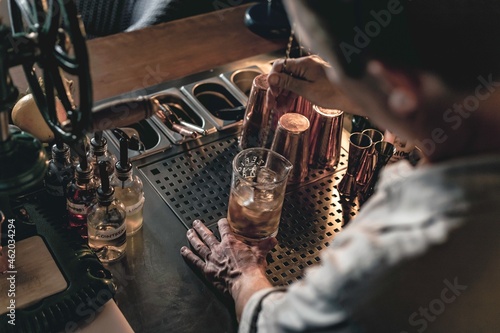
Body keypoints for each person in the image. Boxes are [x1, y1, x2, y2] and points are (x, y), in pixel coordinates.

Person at [181, 0, 500, 332]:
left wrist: (242, 275)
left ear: (398, 86)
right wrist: (356, 90)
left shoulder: (395, 260)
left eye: (331, 60)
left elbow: (283, 327)